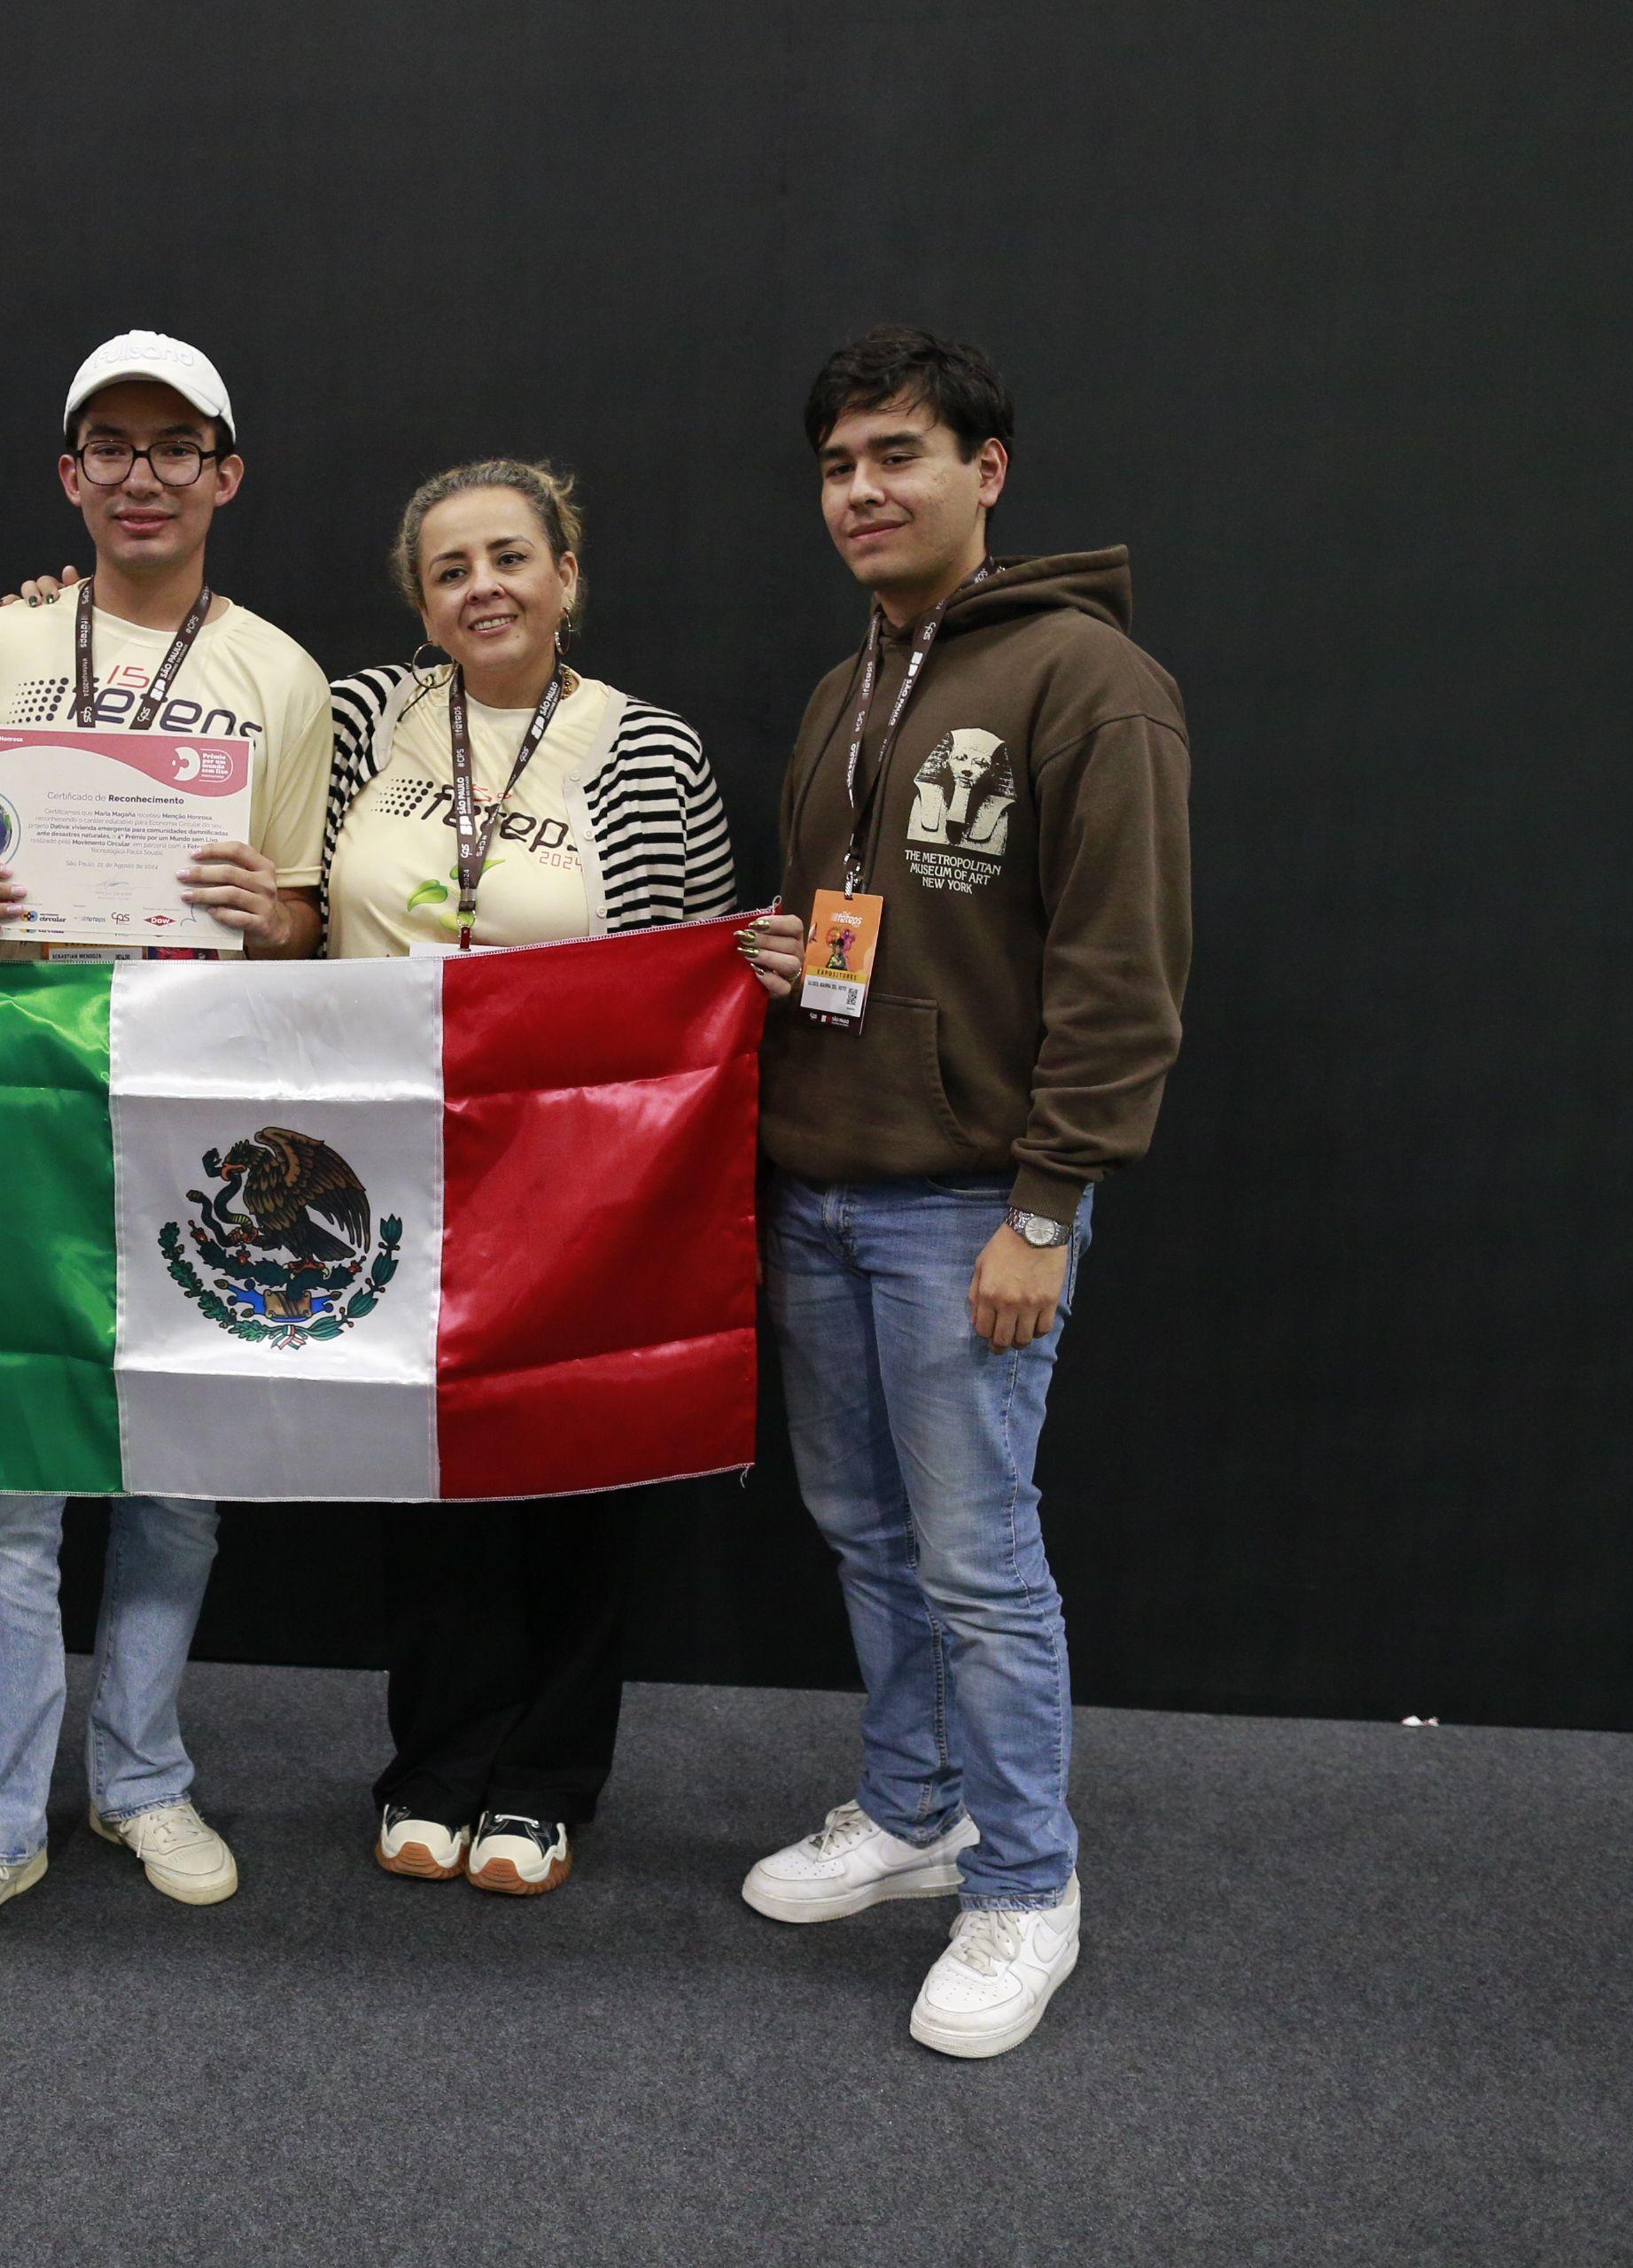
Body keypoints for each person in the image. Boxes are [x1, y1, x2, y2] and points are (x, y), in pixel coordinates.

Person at [736, 327, 1190, 2057]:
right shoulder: (844, 685)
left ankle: (1026, 1883)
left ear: (985, 472)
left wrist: (1048, 1206)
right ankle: (914, 1807)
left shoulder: (1089, 681)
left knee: (982, 1559)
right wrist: (792, 954)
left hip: (971, 1209)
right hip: (824, 1179)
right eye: (839, 464)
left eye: (899, 456)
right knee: (866, 1534)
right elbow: (869, 926)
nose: (863, 489)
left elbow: (1124, 976)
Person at [0, 330, 334, 1967]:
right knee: (6, 1486)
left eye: (177, 445)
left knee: (180, 1482)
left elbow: (311, 914)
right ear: (70, 477)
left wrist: (272, 914)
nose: (143, 474)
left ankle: (140, 1773)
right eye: (110, 446)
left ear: (226, 472)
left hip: (201, 1097)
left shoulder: (282, 677)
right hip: (19, 1090)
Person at [320, 460, 734, 1895]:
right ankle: (434, 1764)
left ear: (566, 575)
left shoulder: (653, 751)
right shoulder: (366, 718)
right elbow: (307, 909)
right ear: (420, 600)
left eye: (509, 557)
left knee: (572, 1462)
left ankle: (547, 1776)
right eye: (449, 568)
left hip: (579, 1175)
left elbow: (693, 976)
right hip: (384, 1164)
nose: (481, 585)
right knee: (422, 1476)